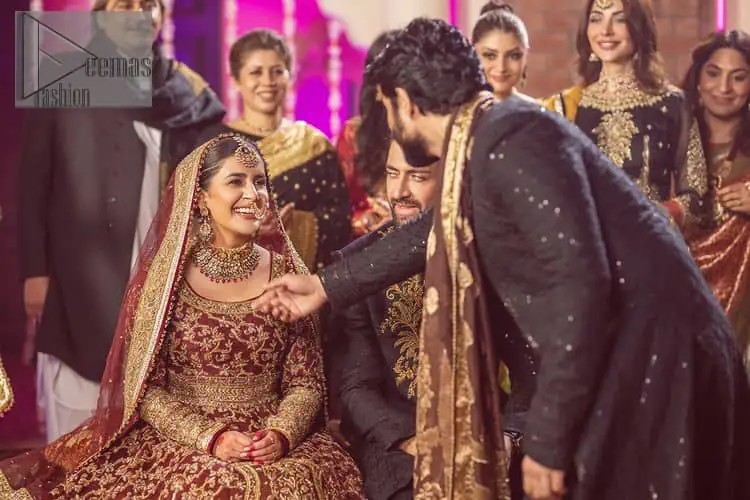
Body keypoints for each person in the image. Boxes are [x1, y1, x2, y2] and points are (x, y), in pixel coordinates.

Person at [254, 18, 750, 500]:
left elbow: (580, 287)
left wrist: (548, 441)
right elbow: (431, 230)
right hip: (646, 354)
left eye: (387, 107)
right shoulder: (490, 138)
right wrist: (325, 286)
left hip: (662, 360)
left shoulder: (511, 139)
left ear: (406, 101)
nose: (389, 122)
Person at [0, 134, 365, 498]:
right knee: (215, 487)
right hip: (184, 440)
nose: (253, 195)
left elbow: (306, 382)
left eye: (259, 182)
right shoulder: (167, 281)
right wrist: (211, 437)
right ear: (202, 198)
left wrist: (281, 434)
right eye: (235, 182)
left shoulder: (288, 275)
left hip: (271, 437)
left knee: (294, 483)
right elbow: (145, 389)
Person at [21, 0, 226, 442]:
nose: (138, 15)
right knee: (78, 420)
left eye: (148, 5)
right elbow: (32, 184)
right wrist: (34, 271)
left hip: (160, 269)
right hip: (78, 277)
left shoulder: (183, 93)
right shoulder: (64, 78)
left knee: (148, 420)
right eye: (124, 5)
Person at [542, 0, 712, 229]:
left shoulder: (673, 103)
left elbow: (696, 197)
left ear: (639, 27)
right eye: (596, 19)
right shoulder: (566, 107)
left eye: (619, 19)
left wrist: (652, 215)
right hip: (589, 244)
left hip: (649, 241)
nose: (605, 30)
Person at [334, 140, 438, 500]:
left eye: (418, 176)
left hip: (483, 428)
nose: (400, 191)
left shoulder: (489, 252)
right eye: (393, 174)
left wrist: (507, 436)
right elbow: (356, 385)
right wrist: (407, 440)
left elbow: (530, 372)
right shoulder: (359, 263)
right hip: (395, 435)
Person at [202, 29, 351, 271]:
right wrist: (248, 227)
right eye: (256, 72)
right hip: (231, 280)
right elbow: (194, 217)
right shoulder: (214, 143)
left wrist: (294, 226)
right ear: (236, 80)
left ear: (289, 76)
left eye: (277, 71)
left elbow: (341, 219)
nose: (268, 81)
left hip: (302, 282)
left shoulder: (313, 143)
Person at [682, 30, 750, 367]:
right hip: (675, 294)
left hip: (741, 312)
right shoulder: (670, 142)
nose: (724, 88)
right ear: (697, 80)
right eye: (713, 73)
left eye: (738, 77)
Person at [337, 30, 400, 236]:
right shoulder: (353, 135)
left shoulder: (428, 132)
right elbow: (336, 212)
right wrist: (366, 220)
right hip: (365, 243)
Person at [472, 1, 535, 102]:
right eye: (490, 56)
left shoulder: (537, 109)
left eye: (513, 56)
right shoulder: (456, 110)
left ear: (525, 56)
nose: (501, 67)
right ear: (473, 54)